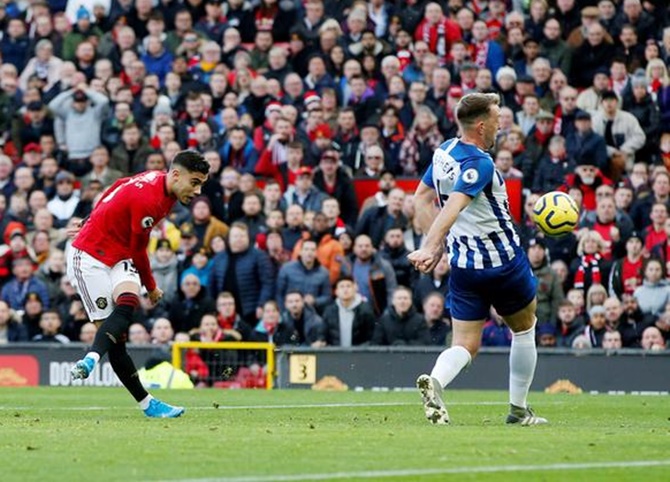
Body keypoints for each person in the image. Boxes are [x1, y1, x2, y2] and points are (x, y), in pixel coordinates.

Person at [409, 93, 547, 426]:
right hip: (503, 263)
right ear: (482, 125)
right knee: (525, 329)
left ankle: (436, 381)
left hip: (465, 267)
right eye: (498, 121)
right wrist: (430, 246)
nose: (501, 127)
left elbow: (421, 200)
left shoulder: (445, 152)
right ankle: (518, 410)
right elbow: (454, 205)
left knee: (465, 345)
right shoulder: (480, 163)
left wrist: (440, 246)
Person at [67, 150, 209, 418]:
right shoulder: (150, 202)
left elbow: (119, 185)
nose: (199, 190)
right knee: (117, 341)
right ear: (176, 175)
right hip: (89, 257)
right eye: (195, 182)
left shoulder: (160, 181)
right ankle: (145, 402)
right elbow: (139, 250)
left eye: (202, 183)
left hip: (117, 254)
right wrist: (152, 286)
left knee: (129, 301)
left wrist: (91, 218)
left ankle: (91, 358)